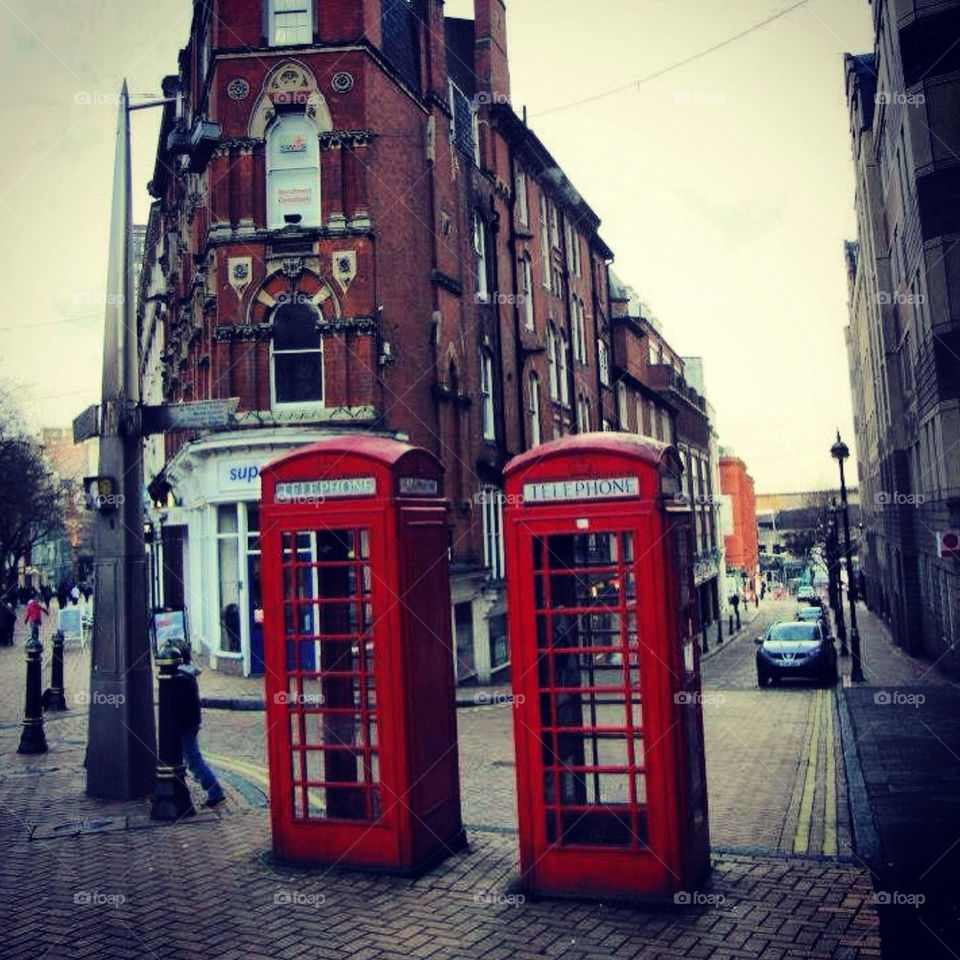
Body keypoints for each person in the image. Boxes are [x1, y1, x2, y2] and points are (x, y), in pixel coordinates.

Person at [173, 643, 226, 808]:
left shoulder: (180, 678)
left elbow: (178, 705)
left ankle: (215, 792)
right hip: (190, 723)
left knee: (194, 761)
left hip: (185, 724)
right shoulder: (187, 673)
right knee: (183, 759)